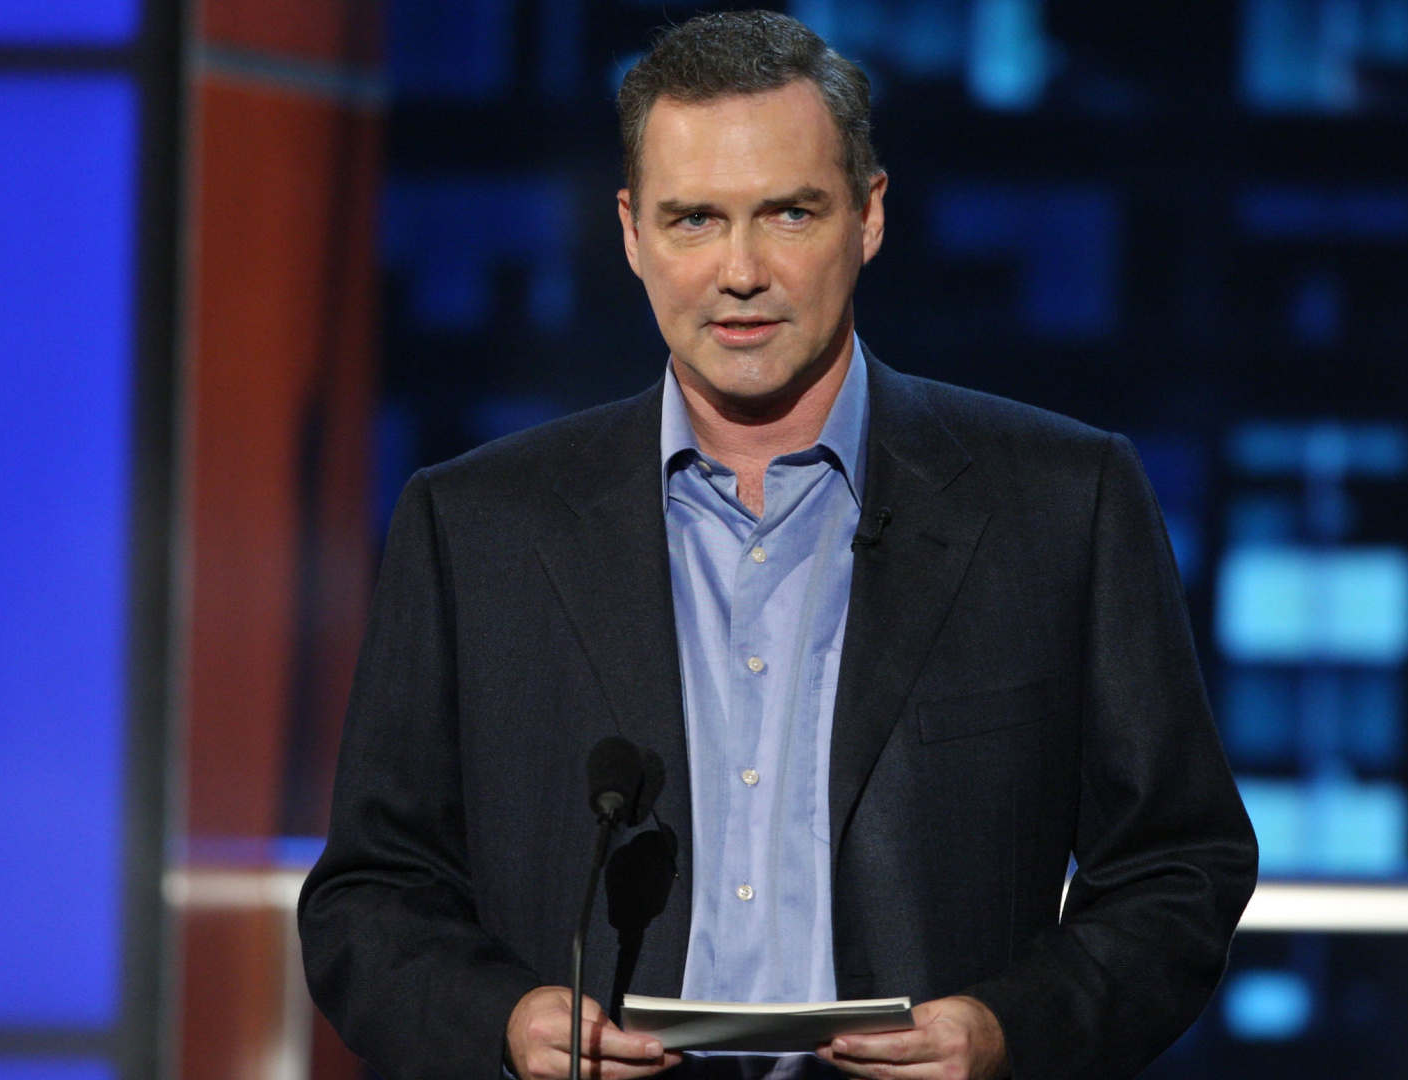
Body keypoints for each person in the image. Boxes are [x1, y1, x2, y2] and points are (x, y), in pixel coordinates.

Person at [299, 11, 1256, 1080]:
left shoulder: (1063, 503)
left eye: (789, 213)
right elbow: (369, 899)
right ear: (630, 232)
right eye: (693, 220)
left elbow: (1179, 867)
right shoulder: (473, 526)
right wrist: (503, 1024)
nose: (740, 270)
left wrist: (1007, 1029)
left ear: (869, 216)